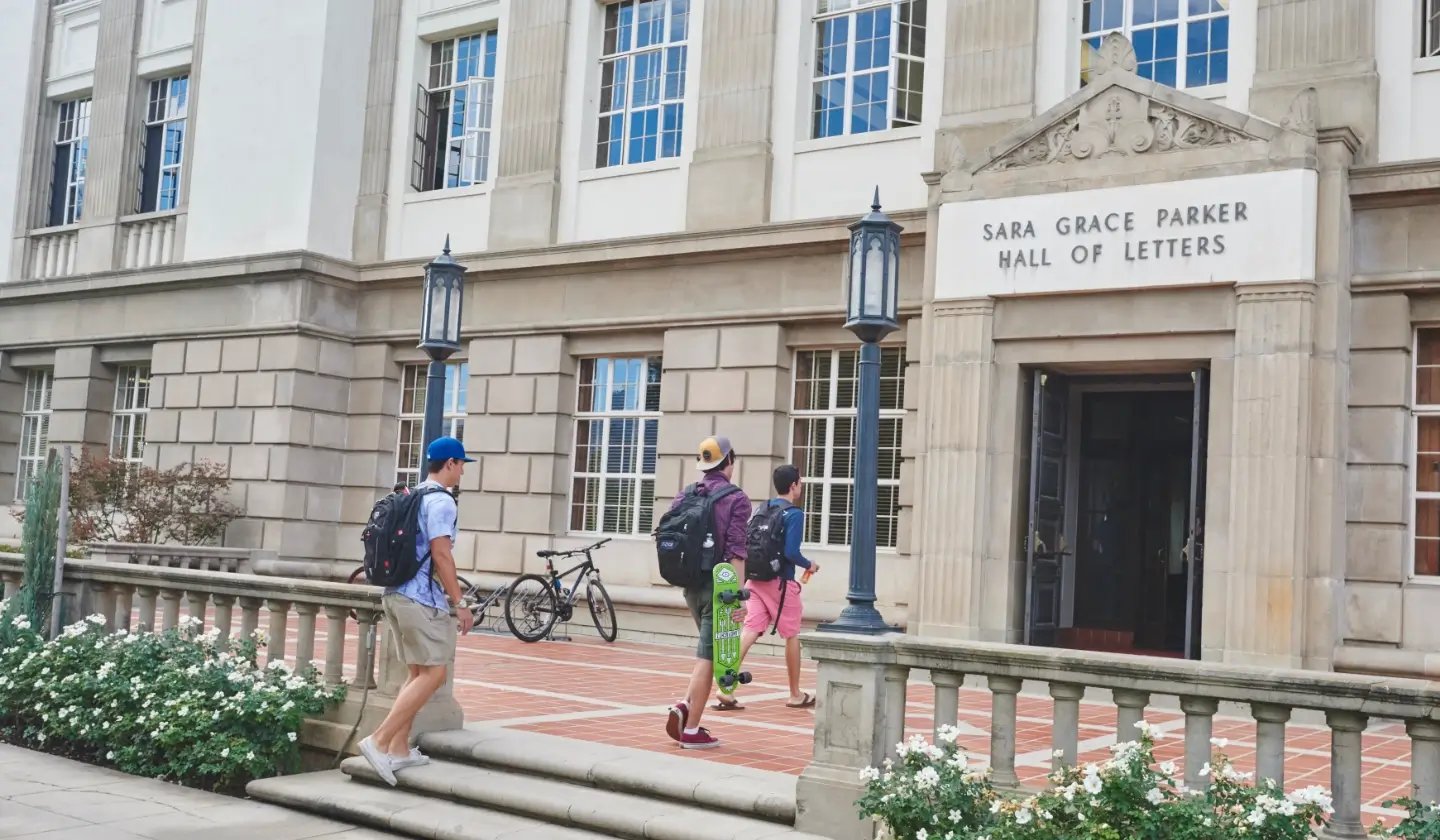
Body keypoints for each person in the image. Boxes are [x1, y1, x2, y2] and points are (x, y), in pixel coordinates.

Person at [358, 436, 475, 785]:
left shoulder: (412, 495)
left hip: (395, 593)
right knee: (435, 674)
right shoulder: (441, 502)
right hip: (421, 599)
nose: (463, 472)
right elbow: (441, 555)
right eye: (462, 465)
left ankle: (398, 750)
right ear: (450, 463)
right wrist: (461, 603)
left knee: (417, 673)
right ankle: (378, 741)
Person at [665, 436, 750, 750]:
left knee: (708, 649)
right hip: (720, 586)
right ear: (729, 461)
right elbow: (737, 551)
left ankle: (686, 706)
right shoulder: (736, 499)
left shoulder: (686, 493)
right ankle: (691, 730)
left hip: (690, 585)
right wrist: (739, 598)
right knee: (709, 655)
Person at [714, 464, 819, 712]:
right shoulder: (793, 514)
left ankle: (725, 689)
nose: (800, 487)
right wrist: (810, 565)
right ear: (793, 485)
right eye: (800, 483)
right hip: (780, 583)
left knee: (749, 631)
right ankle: (795, 694)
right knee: (791, 635)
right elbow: (792, 552)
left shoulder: (764, 507)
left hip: (755, 579)